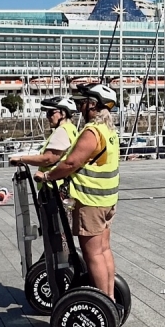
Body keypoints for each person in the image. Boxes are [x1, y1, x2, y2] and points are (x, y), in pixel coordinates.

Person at [35, 83, 119, 300]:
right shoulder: (108, 130)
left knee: (93, 254)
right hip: (107, 199)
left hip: (90, 201)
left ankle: (103, 303)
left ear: (93, 104)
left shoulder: (92, 131)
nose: (79, 105)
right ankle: (109, 298)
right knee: (104, 250)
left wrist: (46, 176)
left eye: (83, 102)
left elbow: (71, 163)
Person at [9, 96, 79, 187]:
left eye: (50, 113)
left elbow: (48, 159)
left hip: (54, 186)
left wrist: (21, 159)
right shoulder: (71, 128)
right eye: (46, 114)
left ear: (63, 114)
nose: (48, 117)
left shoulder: (62, 131)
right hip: (62, 182)